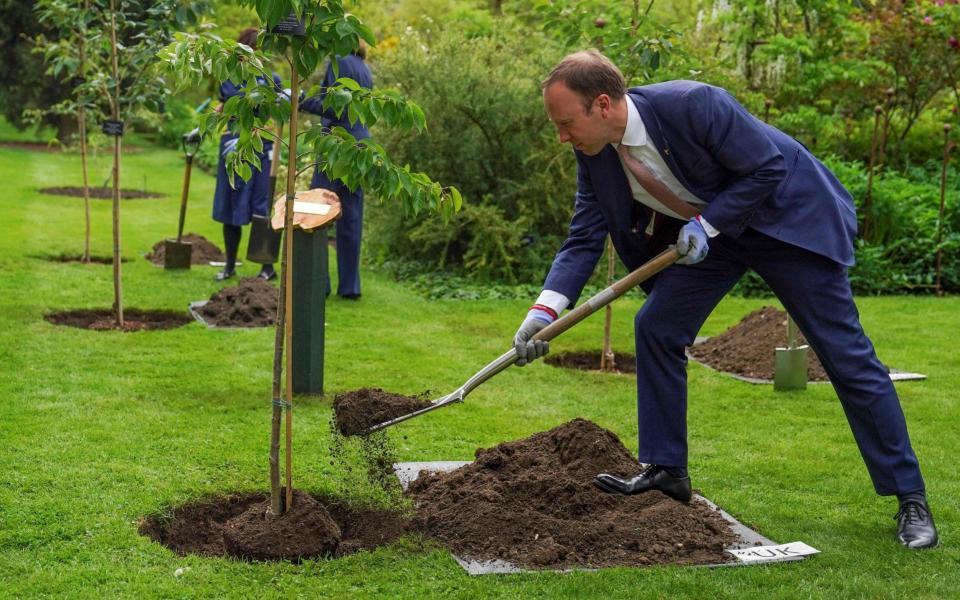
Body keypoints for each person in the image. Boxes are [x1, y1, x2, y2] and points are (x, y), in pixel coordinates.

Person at [513, 50, 937, 549]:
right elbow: (584, 237)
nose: (561, 136)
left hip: (785, 222)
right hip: (712, 237)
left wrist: (705, 224)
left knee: (846, 356)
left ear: (602, 105)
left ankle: (909, 497)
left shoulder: (694, 104)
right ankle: (667, 469)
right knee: (657, 327)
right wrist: (542, 314)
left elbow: (766, 168)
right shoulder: (595, 157)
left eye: (565, 123)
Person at [300, 41, 373, 299]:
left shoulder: (339, 61)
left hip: (338, 145)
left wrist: (301, 100)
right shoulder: (364, 67)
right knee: (351, 218)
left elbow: (334, 106)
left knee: (319, 212)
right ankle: (350, 287)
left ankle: (320, 284)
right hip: (361, 146)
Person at [211, 27, 280, 282]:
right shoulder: (230, 77)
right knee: (231, 205)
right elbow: (226, 104)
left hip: (262, 147)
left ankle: (266, 266)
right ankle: (230, 265)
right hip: (235, 148)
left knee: (261, 206)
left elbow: (278, 107)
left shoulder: (270, 78)